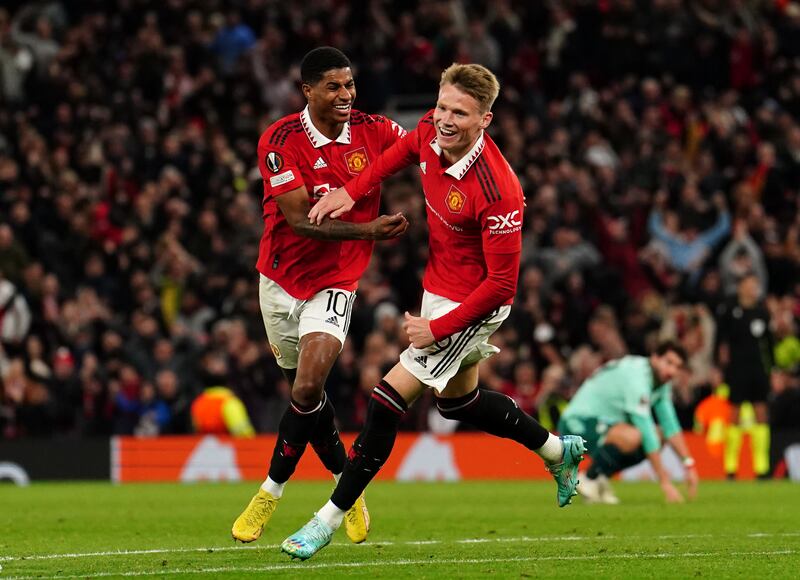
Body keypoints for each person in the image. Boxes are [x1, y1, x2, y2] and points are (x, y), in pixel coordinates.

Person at [280, 63, 586, 561]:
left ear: (485, 120)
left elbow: (503, 284)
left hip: (476, 304)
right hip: (438, 288)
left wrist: (437, 328)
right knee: (458, 404)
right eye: (442, 106)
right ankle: (557, 450)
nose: (444, 119)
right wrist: (349, 192)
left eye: (460, 113)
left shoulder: (499, 191)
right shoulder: (430, 128)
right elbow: (395, 154)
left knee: (385, 400)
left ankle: (325, 521)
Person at [230, 47, 409, 546]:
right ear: (307, 91)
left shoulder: (374, 130)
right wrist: (369, 228)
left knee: (308, 388)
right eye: (333, 86)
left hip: (335, 283)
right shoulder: (280, 140)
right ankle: (345, 489)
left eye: (350, 85)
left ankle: (269, 491)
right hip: (280, 281)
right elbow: (299, 222)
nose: (346, 95)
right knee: (307, 402)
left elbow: (422, 145)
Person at [558, 341, 699, 504]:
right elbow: (645, 432)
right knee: (637, 436)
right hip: (577, 422)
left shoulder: (660, 383)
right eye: (668, 362)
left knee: (659, 436)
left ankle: (599, 479)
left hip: (604, 424)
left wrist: (689, 465)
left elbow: (670, 425)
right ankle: (589, 478)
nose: (672, 371)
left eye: (677, 366)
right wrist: (665, 482)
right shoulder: (637, 377)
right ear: (655, 358)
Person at [715, 272, 774, 479]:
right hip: (737, 370)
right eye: (749, 285)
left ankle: (761, 467)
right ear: (740, 287)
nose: (752, 289)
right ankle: (730, 467)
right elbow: (720, 341)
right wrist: (719, 368)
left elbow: (769, 344)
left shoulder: (762, 312)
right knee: (734, 415)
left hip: (758, 369)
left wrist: (772, 369)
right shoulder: (730, 310)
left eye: (755, 285)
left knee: (761, 413)